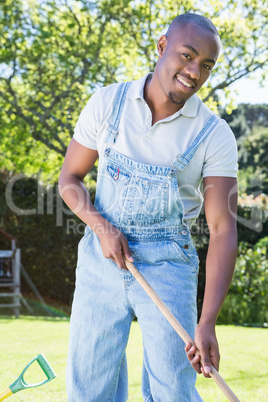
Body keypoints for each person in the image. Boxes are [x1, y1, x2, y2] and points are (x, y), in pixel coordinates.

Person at [59, 12, 238, 402]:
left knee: (173, 391)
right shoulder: (108, 102)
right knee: (89, 389)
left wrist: (207, 322)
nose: (194, 71)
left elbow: (223, 229)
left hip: (169, 266)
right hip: (100, 260)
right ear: (162, 46)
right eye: (187, 55)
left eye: (206, 65)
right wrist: (101, 226)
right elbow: (68, 180)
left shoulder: (214, 134)